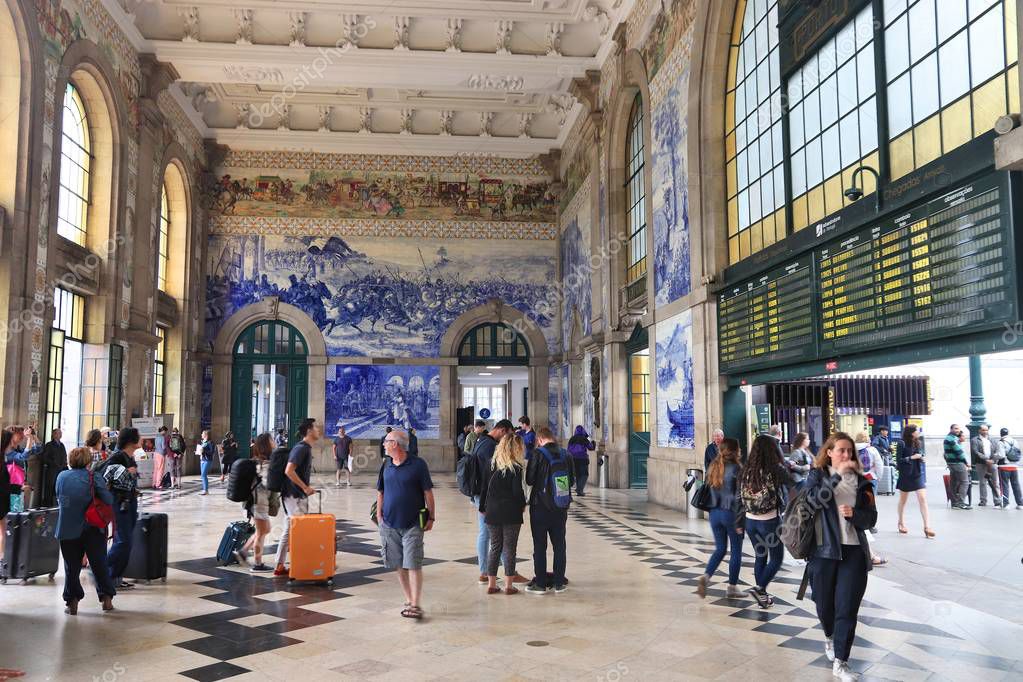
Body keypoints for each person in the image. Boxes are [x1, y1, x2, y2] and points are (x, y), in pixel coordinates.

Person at [802, 432, 877, 682]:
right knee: (824, 605)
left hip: (854, 552)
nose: (846, 455)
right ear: (830, 452)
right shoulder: (817, 476)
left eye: (849, 451)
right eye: (841, 450)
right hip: (823, 552)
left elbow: (871, 518)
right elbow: (810, 503)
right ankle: (829, 635)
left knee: (847, 608)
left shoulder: (863, 482)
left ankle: (842, 662)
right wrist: (835, 477)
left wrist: (854, 514)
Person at [376, 428, 435, 619]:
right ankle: (409, 599)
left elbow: (428, 493)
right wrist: (379, 515)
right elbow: (380, 492)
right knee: (399, 564)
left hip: (413, 524)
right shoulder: (386, 465)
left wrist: (431, 517)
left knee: (413, 562)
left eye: (386, 441)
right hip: (389, 524)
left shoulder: (418, 465)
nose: (384, 444)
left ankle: (416, 604)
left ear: (395, 444)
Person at [55, 447, 116, 614]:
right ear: (88, 461)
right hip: (93, 528)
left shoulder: (61, 476)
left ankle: (72, 602)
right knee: (99, 564)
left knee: (71, 567)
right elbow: (108, 499)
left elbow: (59, 497)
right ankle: (106, 599)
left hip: (67, 528)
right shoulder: (93, 477)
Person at [739, 434, 794, 608]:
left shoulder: (747, 469)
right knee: (777, 558)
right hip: (769, 521)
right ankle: (760, 588)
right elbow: (793, 485)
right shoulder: (775, 468)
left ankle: (762, 596)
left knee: (760, 556)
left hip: (750, 521)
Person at [525, 426, 574, 594]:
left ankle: (540, 584)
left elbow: (530, 480)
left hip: (540, 506)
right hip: (560, 507)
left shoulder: (537, 454)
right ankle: (559, 582)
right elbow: (572, 481)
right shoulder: (566, 454)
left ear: (539, 440)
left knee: (540, 545)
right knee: (559, 544)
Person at [479, 433, 528, 595]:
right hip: (510, 512)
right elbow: (517, 491)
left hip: (492, 511)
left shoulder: (490, 464)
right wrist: (523, 504)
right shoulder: (516, 467)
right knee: (509, 549)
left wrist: (482, 507)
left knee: (495, 547)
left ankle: (492, 585)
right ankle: (508, 585)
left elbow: (484, 488)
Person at [469, 419, 517, 584]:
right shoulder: (490, 446)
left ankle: (494, 571)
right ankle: (488, 572)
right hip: (487, 496)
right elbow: (491, 475)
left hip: (482, 494)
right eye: (509, 435)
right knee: (491, 534)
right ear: (503, 431)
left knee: (490, 534)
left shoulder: (481, 440)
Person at [696, 437, 744, 600]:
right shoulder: (737, 468)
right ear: (735, 450)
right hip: (730, 513)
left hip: (714, 514)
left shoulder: (713, 466)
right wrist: (739, 521)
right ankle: (732, 587)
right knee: (736, 550)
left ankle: (707, 576)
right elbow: (738, 497)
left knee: (720, 549)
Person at [273, 418, 319, 577]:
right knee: (295, 529)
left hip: (293, 495)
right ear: (309, 431)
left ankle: (280, 564)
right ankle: (296, 564)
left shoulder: (305, 448)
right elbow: (289, 470)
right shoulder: (302, 449)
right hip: (294, 495)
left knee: (290, 528)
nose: (318, 430)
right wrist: (305, 487)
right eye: (315, 427)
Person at [104, 428, 141, 590]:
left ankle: (114, 577)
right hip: (120, 502)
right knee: (123, 540)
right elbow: (108, 476)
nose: (141, 439)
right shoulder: (117, 457)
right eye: (138, 438)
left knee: (127, 541)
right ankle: (101, 568)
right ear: (131, 441)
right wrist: (126, 472)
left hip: (130, 500)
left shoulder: (130, 457)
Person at [235, 433, 276, 572]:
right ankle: (257, 564)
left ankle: (243, 551)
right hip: (259, 503)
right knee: (261, 532)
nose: (274, 442)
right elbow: (266, 484)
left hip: (257, 502)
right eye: (271, 441)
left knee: (265, 529)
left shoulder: (259, 461)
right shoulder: (264, 464)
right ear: (266, 445)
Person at [895, 424, 934, 537]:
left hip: (917, 473)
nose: (918, 432)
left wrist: (922, 458)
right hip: (906, 475)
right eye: (917, 430)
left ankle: (927, 527)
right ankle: (901, 522)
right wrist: (912, 457)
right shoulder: (901, 443)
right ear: (911, 432)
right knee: (903, 500)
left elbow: (920, 454)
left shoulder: (918, 442)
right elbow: (899, 460)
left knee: (923, 499)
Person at [1, 427, 33, 566]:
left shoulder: (10, 453)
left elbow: (37, 449)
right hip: (4, 497)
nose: (20, 437)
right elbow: (3, 485)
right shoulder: (8, 455)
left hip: (6, 495)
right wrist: (19, 487)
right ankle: (2, 563)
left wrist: (32, 438)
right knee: (3, 531)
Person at [971, 424, 1003, 507]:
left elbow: (997, 451)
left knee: (995, 483)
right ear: (979, 431)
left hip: (992, 463)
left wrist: (993, 460)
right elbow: (976, 452)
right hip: (981, 463)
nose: (985, 432)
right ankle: (983, 500)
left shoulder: (993, 440)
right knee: (983, 482)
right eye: (983, 430)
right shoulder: (975, 440)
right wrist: (986, 459)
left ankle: (997, 500)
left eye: (986, 430)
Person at [36, 429, 68, 508]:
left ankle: (56, 504)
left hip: (61, 470)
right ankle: (48, 505)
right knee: (50, 487)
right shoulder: (49, 445)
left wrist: (64, 464)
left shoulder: (62, 445)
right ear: (54, 435)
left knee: (59, 487)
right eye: (58, 433)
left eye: (61, 433)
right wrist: (54, 463)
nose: (60, 434)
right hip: (52, 470)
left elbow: (64, 455)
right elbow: (44, 457)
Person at [943, 424, 971, 509]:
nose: (957, 430)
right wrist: (967, 463)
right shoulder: (952, 439)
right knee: (965, 482)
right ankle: (960, 503)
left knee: (953, 483)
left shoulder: (948, 438)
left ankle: (954, 503)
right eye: (955, 428)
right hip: (958, 463)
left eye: (958, 429)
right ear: (951, 429)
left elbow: (945, 454)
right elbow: (959, 452)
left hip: (952, 464)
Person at [566, 426, 596, 496]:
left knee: (575, 474)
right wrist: (591, 440)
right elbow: (591, 447)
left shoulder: (571, 439)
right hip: (582, 459)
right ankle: (579, 489)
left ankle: (574, 489)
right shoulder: (584, 439)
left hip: (572, 459)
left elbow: (568, 449)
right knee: (584, 475)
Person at [997, 428, 1023, 509]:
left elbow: (1001, 455)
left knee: (1004, 485)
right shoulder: (1015, 441)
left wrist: (994, 457)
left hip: (1004, 466)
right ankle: (1020, 504)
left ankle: (1005, 504)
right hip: (1014, 466)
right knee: (1016, 485)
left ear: (1001, 434)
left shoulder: (1001, 442)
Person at [197, 430, 215, 495]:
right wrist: (198, 451)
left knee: (204, 474)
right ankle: (205, 489)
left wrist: (204, 451)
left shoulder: (210, 442)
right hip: (202, 459)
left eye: (202, 433)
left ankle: (205, 490)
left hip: (208, 460)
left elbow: (211, 452)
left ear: (206, 435)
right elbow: (202, 450)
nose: (201, 434)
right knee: (203, 475)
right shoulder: (203, 442)